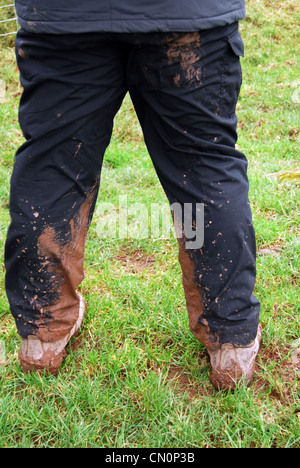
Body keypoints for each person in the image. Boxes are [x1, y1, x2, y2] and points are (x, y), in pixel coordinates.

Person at [5, 0, 262, 390]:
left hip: (65, 18)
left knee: (54, 168)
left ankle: (43, 331)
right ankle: (230, 341)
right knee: (202, 170)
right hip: (187, 15)